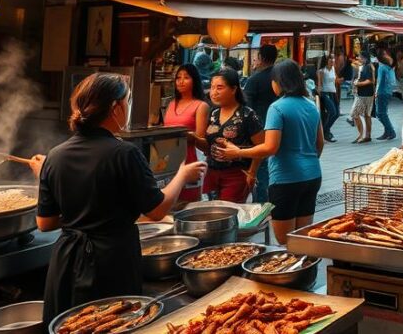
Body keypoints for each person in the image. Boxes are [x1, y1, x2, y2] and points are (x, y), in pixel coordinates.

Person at [34, 73, 206, 325]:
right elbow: (157, 211)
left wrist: (82, 210)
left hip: (66, 262)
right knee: (114, 324)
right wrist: (182, 174)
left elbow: (45, 223)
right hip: (111, 260)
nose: (128, 108)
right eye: (128, 101)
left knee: (70, 325)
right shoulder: (124, 153)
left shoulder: (55, 156)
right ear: (115, 108)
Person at [224, 60, 323, 244]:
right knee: (302, 236)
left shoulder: (277, 108)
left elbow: (270, 147)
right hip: (312, 176)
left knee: (285, 240)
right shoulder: (311, 106)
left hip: (285, 179)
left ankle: (291, 271)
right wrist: (307, 161)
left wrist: (237, 152)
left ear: (278, 82)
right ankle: (305, 269)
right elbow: (320, 143)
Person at [193, 67, 263, 202]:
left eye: (219, 88)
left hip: (236, 175)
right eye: (212, 87)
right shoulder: (214, 114)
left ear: (233, 89)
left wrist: (252, 173)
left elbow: (262, 147)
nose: (214, 92)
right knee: (212, 216)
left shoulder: (247, 115)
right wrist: (192, 138)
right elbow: (207, 146)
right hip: (212, 173)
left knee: (228, 214)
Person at [161, 64, 208, 202]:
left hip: (189, 157)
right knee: (168, 199)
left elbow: (200, 138)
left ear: (194, 81)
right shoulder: (171, 104)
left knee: (188, 201)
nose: (181, 81)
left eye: (186, 77)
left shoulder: (201, 106)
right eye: (178, 78)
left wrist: (187, 135)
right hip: (168, 159)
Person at [242, 44, 279, 202]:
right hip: (279, 130)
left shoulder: (254, 79)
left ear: (262, 58)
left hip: (260, 130)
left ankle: (262, 205)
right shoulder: (279, 77)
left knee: (261, 170)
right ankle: (273, 201)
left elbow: (247, 108)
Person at [350, 52, 377, 144]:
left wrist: (358, 84)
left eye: (360, 57)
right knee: (366, 115)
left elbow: (370, 80)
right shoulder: (367, 66)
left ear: (364, 58)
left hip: (364, 94)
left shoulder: (368, 66)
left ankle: (362, 135)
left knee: (355, 113)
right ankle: (367, 135)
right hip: (366, 93)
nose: (358, 58)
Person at [374, 52, 398, 141]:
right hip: (388, 91)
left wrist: (376, 92)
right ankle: (387, 131)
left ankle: (391, 131)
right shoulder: (389, 68)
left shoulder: (382, 67)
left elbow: (379, 81)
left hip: (382, 92)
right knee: (382, 113)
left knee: (380, 113)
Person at [316, 54, 339, 143]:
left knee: (337, 114)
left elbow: (335, 81)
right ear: (326, 60)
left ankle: (325, 130)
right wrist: (320, 95)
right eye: (330, 58)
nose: (333, 60)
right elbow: (320, 84)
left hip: (333, 92)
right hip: (325, 93)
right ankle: (325, 132)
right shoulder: (322, 71)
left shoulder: (333, 69)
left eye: (333, 58)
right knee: (332, 111)